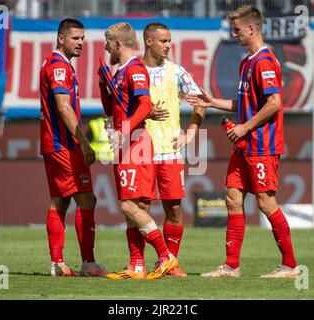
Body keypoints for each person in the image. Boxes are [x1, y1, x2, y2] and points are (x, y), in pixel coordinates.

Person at [187, 5, 300, 278]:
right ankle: (231, 266)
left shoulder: (264, 61)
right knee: (232, 197)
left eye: (237, 30)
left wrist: (246, 127)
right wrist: (213, 101)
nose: (234, 34)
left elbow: (274, 103)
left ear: (251, 28)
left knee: (265, 201)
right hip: (246, 143)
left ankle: (290, 265)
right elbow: (246, 103)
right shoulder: (246, 62)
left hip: (262, 144)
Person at [98, 22, 178, 280]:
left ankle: (165, 256)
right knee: (135, 206)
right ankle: (137, 266)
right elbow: (112, 108)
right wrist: (103, 84)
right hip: (125, 143)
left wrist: (124, 130)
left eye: (107, 42)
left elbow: (145, 105)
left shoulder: (135, 68)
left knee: (128, 206)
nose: (105, 47)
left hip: (135, 142)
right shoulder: (120, 71)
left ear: (118, 44)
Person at [133, 22, 205, 277]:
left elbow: (200, 101)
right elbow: (117, 106)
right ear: (149, 41)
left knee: (173, 209)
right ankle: (137, 264)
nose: (168, 46)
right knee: (139, 208)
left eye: (170, 41)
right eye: (163, 41)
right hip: (139, 152)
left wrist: (192, 132)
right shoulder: (132, 70)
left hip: (171, 152)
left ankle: (170, 262)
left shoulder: (177, 72)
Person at [39, 18, 107, 277]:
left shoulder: (57, 63)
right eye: (75, 38)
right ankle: (88, 263)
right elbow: (63, 106)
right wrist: (83, 141)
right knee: (86, 198)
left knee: (60, 200)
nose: (81, 43)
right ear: (61, 38)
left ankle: (58, 263)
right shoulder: (58, 66)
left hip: (54, 143)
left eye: (83, 38)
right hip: (63, 145)